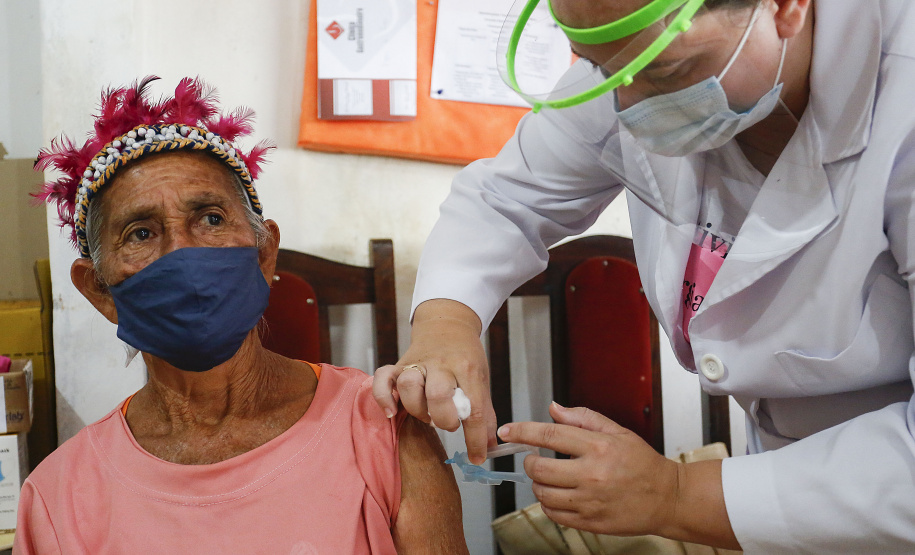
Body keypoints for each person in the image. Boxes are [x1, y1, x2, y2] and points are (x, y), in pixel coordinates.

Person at [373, 0, 915, 552]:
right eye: (599, 69)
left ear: (784, 9)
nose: (629, 107)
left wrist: (675, 495)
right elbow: (505, 200)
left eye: (668, 70)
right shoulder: (634, 64)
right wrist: (444, 324)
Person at [16, 76, 468, 554]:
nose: (182, 253)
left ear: (264, 254)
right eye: (141, 233)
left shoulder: (384, 431)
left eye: (211, 219)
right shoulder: (58, 500)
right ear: (99, 291)